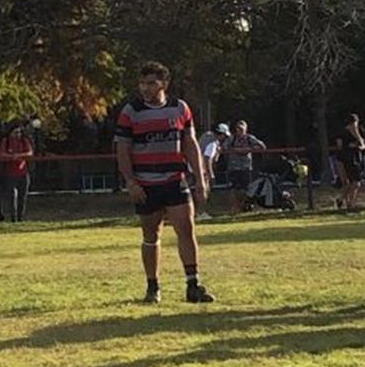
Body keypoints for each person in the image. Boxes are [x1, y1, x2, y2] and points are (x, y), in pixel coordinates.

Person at [114, 60, 214, 304]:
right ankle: (153, 287)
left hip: (175, 180)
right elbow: (122, 149)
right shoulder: (131, 112)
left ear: (164, 84)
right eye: (142, 83)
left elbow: (190, 144)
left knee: (186, 230)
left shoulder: (180, 108)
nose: (145, 88)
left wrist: (200, 178)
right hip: (146, 183)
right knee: (151, 235)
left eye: (151, 83)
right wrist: (131, 182)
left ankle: (193, 285)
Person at [222, 120, 266, 215]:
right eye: (238, 128)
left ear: (246, 129)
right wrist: (235, 150)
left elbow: (262, 146)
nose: (239, 131)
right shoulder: (232, 139)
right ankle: (234, 209)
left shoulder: (250, 138)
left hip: (246, 168)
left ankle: (243, 207)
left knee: (246, 190)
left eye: (242, 129)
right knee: (233, 190)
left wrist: (248, 149)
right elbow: (224, 147)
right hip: (233, 168)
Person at [0, 123, 34, 222]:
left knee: (23, 196)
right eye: (15, 132)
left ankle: (20, 217)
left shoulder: (24, 141)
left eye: (19, 132)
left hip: (23, 172)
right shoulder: (6, 141)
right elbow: (2, 154)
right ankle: (13, 217)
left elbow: (30, 152)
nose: (18, 134)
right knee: (12, 196)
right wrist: (11, 156)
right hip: (10, 173)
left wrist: (19, 155)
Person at [196, 123, 229, 218]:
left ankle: (197, 212)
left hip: (194, 167)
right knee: (204, 190)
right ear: (221, 134)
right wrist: (211, 174)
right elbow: (207, 159)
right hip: (202, 169)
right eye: (224, 136)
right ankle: (201, 212)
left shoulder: (205, 135)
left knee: (197, 190)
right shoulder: (213, 143)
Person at [334, 114, 365, 211]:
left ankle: (346, 201)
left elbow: (363, 144)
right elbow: (340, 146)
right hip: (344, 159)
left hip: (355, 159)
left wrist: (357, 138)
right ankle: (348, 203)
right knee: (347, 183)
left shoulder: (359, 131)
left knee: (355, 182)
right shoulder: (342, 132)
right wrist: (348, 145)